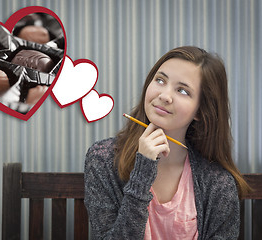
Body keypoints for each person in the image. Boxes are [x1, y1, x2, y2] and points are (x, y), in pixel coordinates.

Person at [84, 46, 251, 239]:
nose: (164, 96)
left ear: (200, 111)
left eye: (182, 90)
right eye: (160, 80)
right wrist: (142, 171)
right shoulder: (102, 159)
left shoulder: (218, 184)